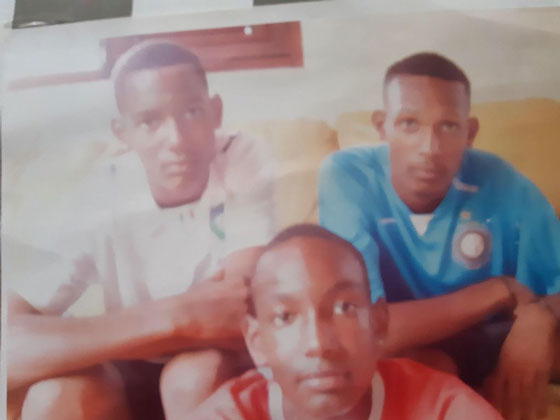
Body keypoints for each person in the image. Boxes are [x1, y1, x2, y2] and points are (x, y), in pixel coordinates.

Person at [7, 40, 275, 420]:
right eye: (150, 122)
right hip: (126, 363)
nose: (176, 140)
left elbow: (234, 311)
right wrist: (178, 316)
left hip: (212, 360)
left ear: (216, 112)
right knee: (56, 398)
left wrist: (146, 325)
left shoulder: (242, 156)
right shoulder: (100, 191)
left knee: (193, 375)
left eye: (192, 113)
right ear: (123, 132)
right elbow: (8, 343)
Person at [318, 52, 560, 420]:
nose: (429, 148)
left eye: (448, 126)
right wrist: (497, 290)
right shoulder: (347, 176)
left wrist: (538, 319)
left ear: (470, 133)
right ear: (382, 127)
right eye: (409, 123)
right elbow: (365, 329)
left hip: (494, 335)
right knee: (418, 367)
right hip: (407, 345)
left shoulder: (504, 182)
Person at [191, 224, 503, 419]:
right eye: (286, 317)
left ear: (378, 324)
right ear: (257, 342)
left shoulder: (441, 408)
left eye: (344, 308)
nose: (318, 345)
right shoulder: (229, 414)